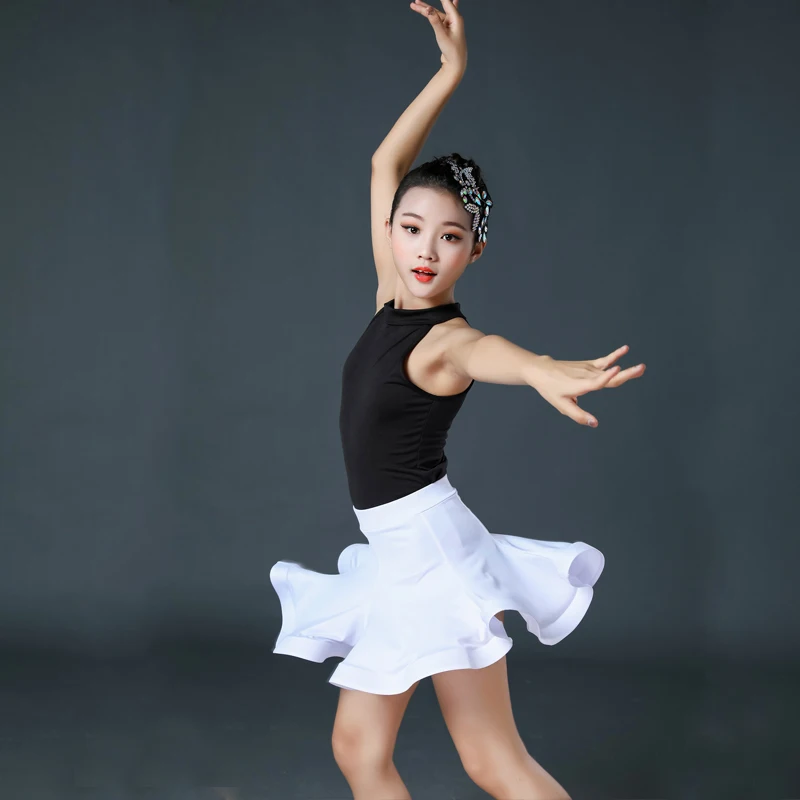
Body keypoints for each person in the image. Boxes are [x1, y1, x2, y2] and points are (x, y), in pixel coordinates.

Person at [270, 2, 646, 798]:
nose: (423, 250)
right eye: (411, 229)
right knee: (357, 749)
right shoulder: (389, 300)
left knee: (491, 762)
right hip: (398, 556)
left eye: (448, 236)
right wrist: (451, 73)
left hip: (434, 558)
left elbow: (490, 355)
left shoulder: (444, 340)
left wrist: (543, 367)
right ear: (393, 232)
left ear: (474, 249)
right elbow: (384, 164)